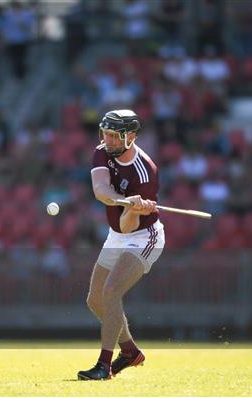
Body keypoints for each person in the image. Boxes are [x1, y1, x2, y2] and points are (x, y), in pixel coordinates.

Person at [78, 110, 165, 380]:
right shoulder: (102, 151)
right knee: (95, 300)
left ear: (131, 136)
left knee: (111, 290)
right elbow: (100, 189)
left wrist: (134, 209)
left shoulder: (146, 173)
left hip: (143, 237)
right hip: (117, 234)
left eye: (115, 136)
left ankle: (104, 365)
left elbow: (129, 226)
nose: (108, 140)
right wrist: (125, 201)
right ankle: (129, 351)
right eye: (105, 134)